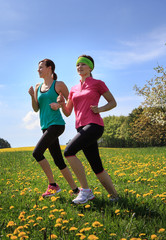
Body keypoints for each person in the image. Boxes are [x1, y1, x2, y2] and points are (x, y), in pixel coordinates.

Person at [57, 55, 119, 204]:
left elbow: (113, 102)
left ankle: (85, 191)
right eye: (77, 65)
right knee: (96, 166)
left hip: (94, 125)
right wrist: (61, 104)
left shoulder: (98, 83)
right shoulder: (73, 89)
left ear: (90, 67)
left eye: (83, 64)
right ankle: (115, 197)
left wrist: (100, 109)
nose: (79, 67)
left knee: (69, 151)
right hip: (80, 127)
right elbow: (68, 112)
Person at [28, 58, 80, 198]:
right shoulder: (38, 86)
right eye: (38, 68)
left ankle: (53, 185)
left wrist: (60, 105)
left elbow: (71, 100)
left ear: (49, 68)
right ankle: (76, 190)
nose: (38, 70)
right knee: (58, 160)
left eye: (40, 67)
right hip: (45, 126)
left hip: (57, 124)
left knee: (37, 153)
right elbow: (35, 109)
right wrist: (32, 97)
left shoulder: (59, 85)